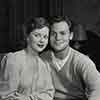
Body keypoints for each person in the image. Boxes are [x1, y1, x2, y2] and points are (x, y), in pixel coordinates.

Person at [41, 16, 100, 100]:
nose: (58, 38)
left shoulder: (82, 61)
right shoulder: (42, 58)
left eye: (62, 33)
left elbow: (97, 88)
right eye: (53, 33)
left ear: (71, 36)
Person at [0, 17, 54, 100]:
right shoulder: (13, 60)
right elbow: (6, 96)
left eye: (45, 37)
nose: (42, 40)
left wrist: (28, 98)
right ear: (27, 37)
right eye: (37, 35)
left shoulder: (45, 65)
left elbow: (49, 95)